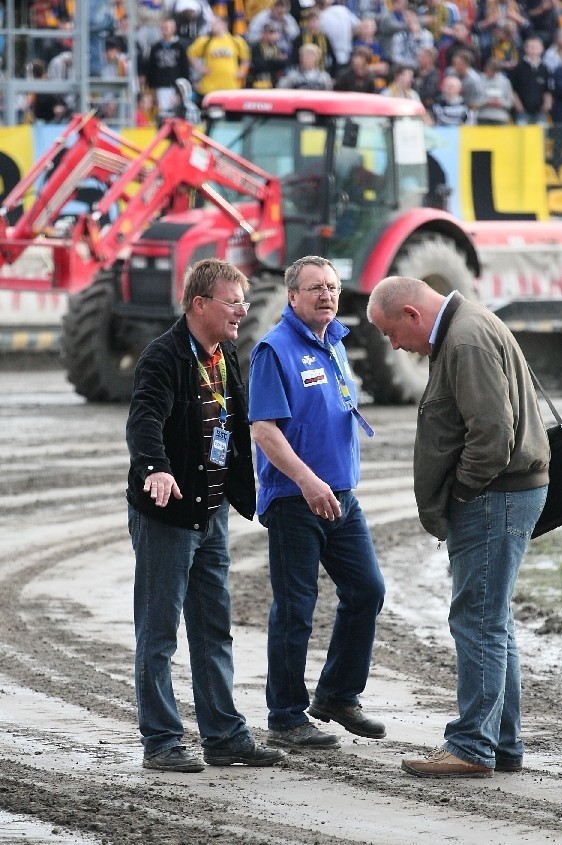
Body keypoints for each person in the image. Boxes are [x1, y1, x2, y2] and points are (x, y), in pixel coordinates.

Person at [366, 276, 549, 778]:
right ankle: (500, 743)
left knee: (478, 621)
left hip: (495, 497)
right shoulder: (468, 327)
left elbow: (492, 433)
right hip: (506, 494)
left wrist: (463, 492)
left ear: (410, 313)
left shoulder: (465, 339)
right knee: (493, 620)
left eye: (390, 333)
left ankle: (471, 746)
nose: (395, 345)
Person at [126, 258, 286, 772]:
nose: (242, 310)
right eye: (232, 302)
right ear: (200, 305)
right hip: (168, 515)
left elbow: (235, 428)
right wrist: (154, 466)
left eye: (242, 301)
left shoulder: (224, 353)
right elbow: (145, 416)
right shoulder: (164, 356)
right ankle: (161, 742)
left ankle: (223, 736)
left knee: (213, 629)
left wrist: (250, 492)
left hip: (211, 515)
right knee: (158, 634)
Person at [249, 255, 386, 750]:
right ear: (292, 296)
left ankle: (337, 696)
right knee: (295, 609)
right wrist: (308, 482)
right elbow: (264, 430)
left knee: (367, 590)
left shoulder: (334, 343)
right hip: (295, 498)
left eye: (331, 286)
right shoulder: (274, 349)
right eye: (314, 288)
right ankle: (285, 717)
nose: (326, 295)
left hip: (342, 497)